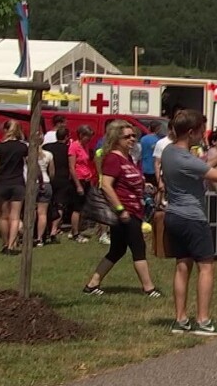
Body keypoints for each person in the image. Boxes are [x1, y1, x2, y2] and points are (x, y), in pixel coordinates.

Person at [161, 109, 217, 336]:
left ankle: (180, 319)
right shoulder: (187, 159)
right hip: (193, 218)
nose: (203, 135)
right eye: (201, 131)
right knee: (206, 267)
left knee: (182, 265)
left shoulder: (170, 152)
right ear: (191, 132)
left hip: (174, 215)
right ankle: (203, 320)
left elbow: (201, 170)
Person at [81, 120, 162, 297]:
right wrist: (120, 209)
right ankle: (149, 288)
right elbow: (107, 186)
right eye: (127, 136)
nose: (132, 139)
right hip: (125, 212)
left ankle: (92, 284)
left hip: (134, 209)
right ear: (116, 139)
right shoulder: (113, 158)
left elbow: (130, 179)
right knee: (138, 247)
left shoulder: (129, 158)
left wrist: (145, 185)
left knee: (117, 250)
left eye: (133, 135)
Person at [0, 121, 29, 254]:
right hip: (18, 183)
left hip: (2, 182)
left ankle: (5, 244)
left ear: (6, 130)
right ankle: (12, 245)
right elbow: (29, 163)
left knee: (4, 216)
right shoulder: (23, 147)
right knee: (15, 216)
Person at [67, 125, 97, 242]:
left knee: (83, 207)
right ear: (81, 135)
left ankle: (77, 229)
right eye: (87, 137)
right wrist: (78, 185)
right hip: (78, 179)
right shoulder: (74, 147)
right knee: (77, 208)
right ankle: (75, 233)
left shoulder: (85, 146)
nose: (89, 139)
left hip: (86, 178)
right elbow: (71, 167)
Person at [32, 139, 56, 247]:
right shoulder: (48, 155)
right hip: (46, 182)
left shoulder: (29, 154)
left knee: (31, 211)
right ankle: (40, 238)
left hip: (33, 183)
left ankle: (30, 234)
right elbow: (52, 172)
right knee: (42, 213)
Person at [139, 122, 163, 186]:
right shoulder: (158, 140)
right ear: (158, 129)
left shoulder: (142, 139)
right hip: (153, 169)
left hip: (143, 167)